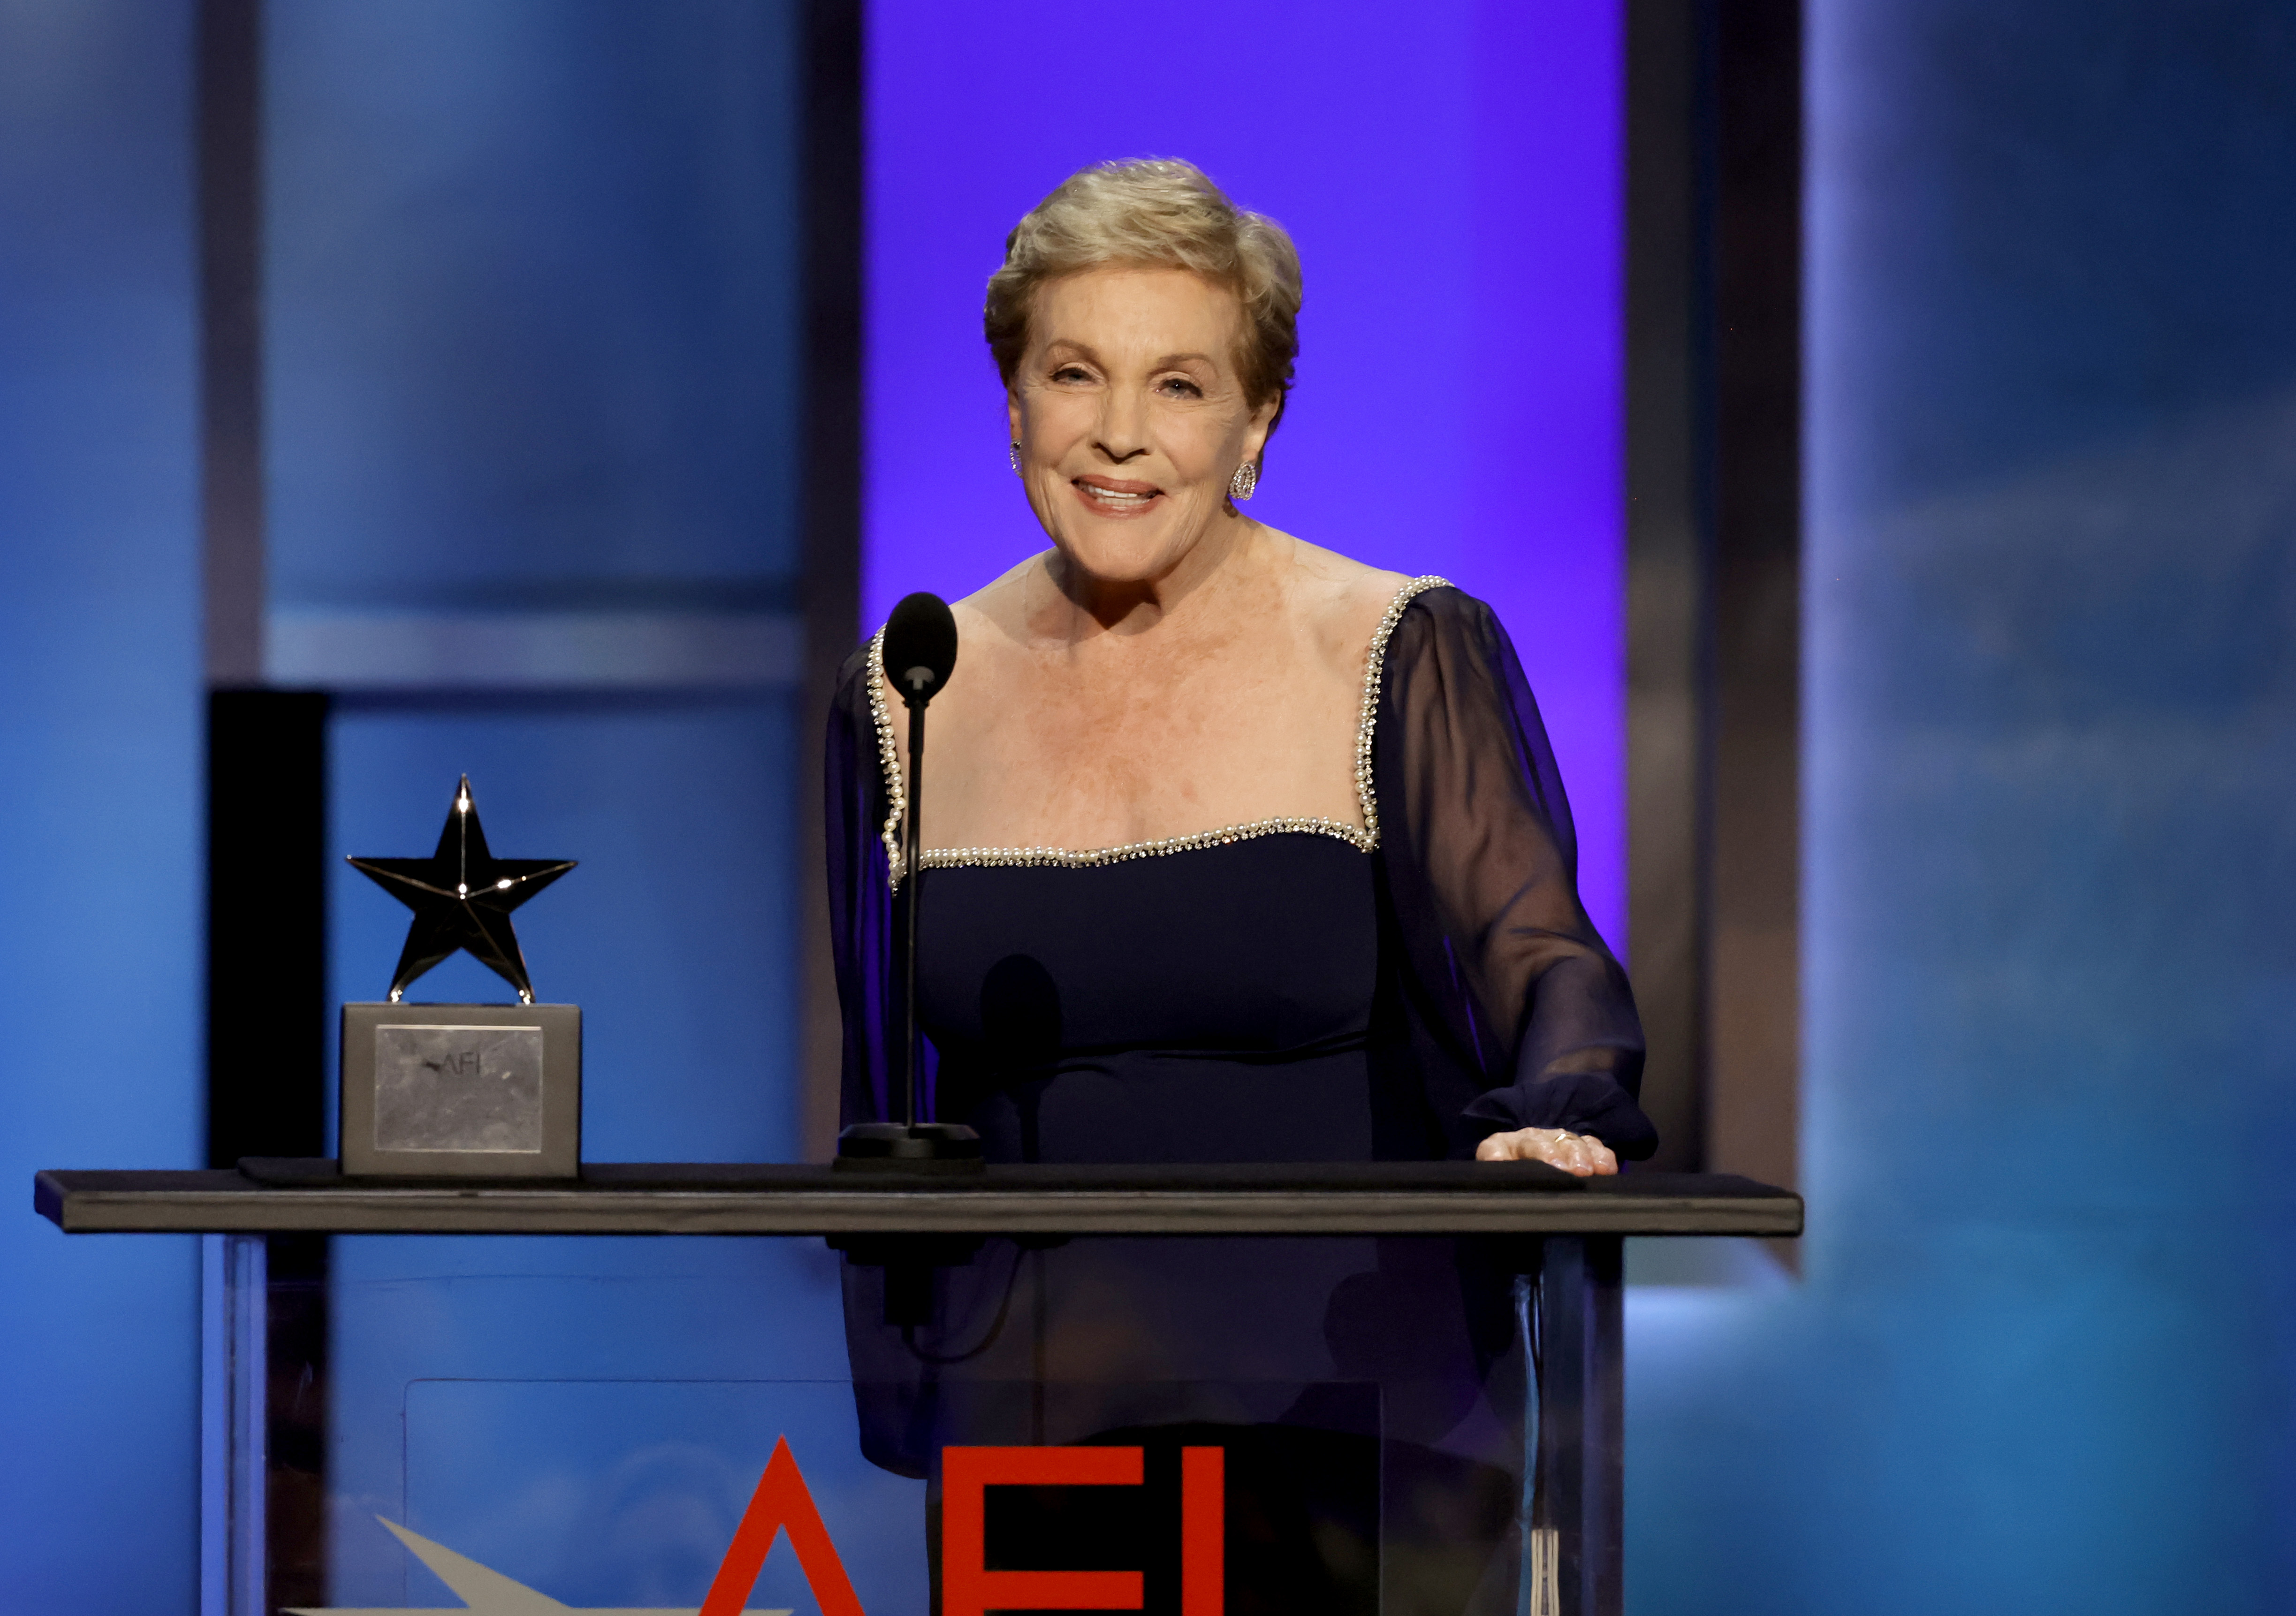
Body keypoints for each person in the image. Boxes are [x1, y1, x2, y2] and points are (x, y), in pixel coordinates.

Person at [826, 158, 1652, 1614]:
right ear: (1014, 399)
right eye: (1075, 373)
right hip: (1044, 1431)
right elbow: (890, 1092)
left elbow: (1548, 959)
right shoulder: (910, 689)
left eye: (1183, 385)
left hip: (1360, 1430)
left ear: (1258, 419)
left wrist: (1559, 1114)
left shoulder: (1394, 646)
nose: (1121, 435)